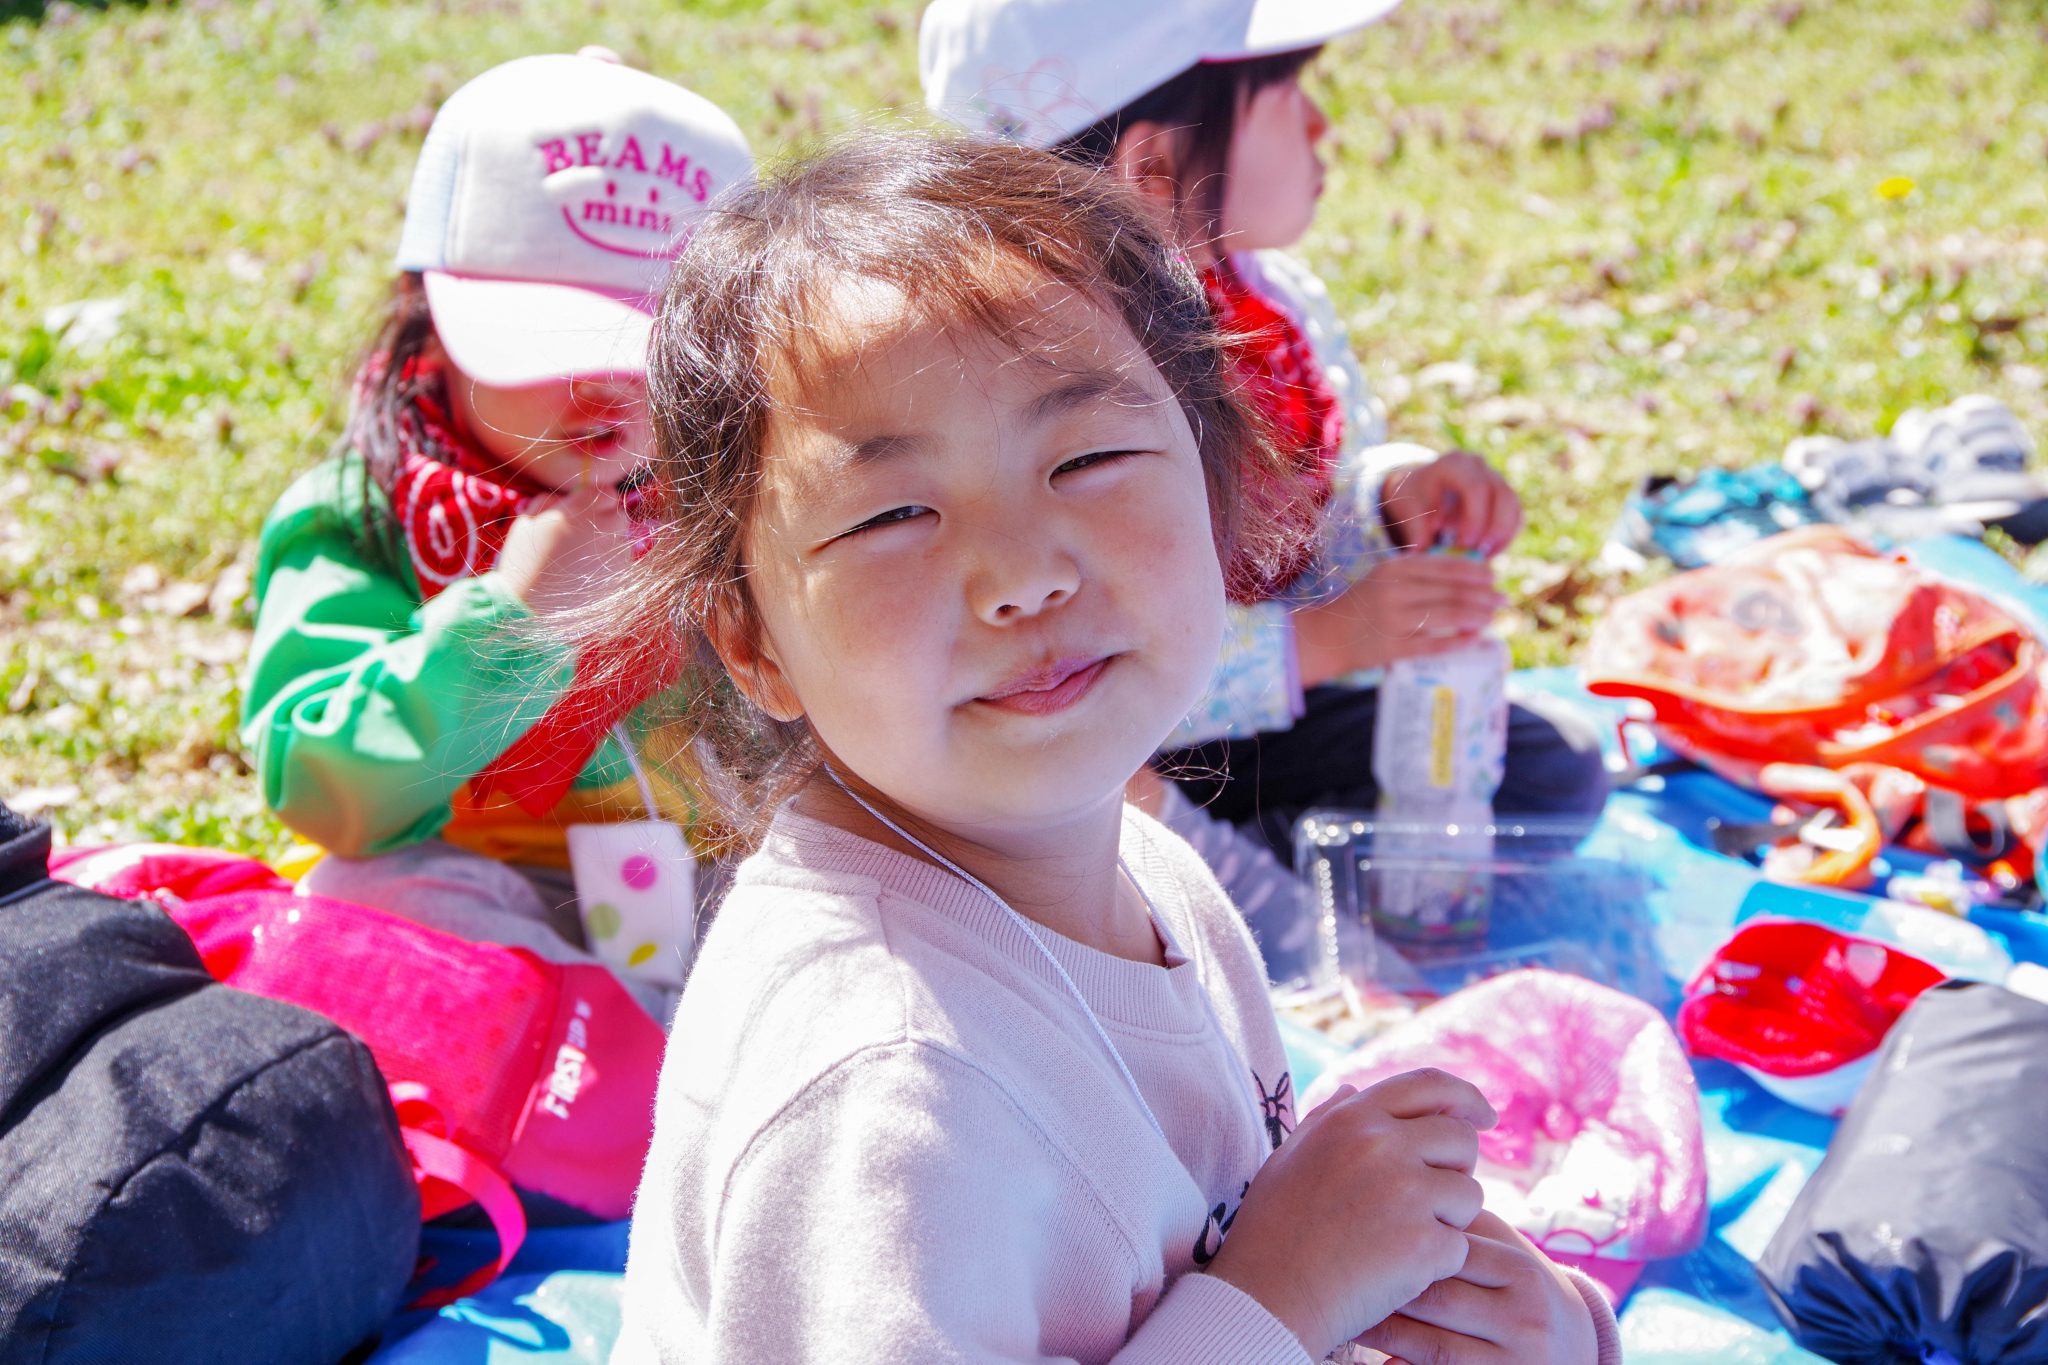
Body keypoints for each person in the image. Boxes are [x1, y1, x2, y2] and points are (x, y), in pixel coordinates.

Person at [602, 131, 1617, 1363]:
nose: (1022, 576)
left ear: (1220, 492)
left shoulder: (1153, 876)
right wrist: (1279, 1302)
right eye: (894, 514)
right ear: (751, 643)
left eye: (1085, 459)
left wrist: (1507, 1322)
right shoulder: (885, 1088)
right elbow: (1249, 1298)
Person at [920, 0, 1608, 884]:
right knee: (1095, 824)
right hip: (1088, 750)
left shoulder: (1260, 301)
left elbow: (1306, 526)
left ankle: (1236, 881)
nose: (1322, 124)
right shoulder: (1054, 389)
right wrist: (1322, 644)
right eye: (1286, 96)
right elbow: (1070, 659)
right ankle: (1186, 899)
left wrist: (1391, 504)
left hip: (1249, 735)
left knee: (1549, 765)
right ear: (1154, 168)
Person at [240, 51, 753, 1019]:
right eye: (545, 342)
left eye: (654, 346)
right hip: (496, 902)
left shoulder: (740, 487)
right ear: (426, 317)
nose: (602, 387)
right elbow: (322, 789)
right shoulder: (365, 515)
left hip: (716, 884)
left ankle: (655, 1063)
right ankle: (579, 1056)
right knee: (361, 896)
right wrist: (511, 616)